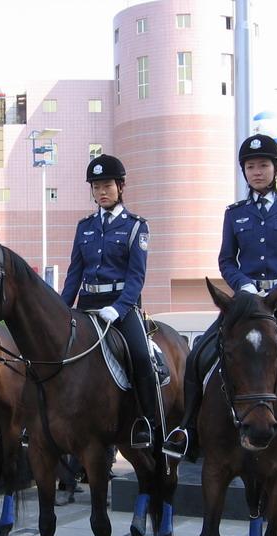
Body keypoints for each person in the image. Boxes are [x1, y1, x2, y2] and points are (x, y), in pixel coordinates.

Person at [164, 134, 277, 466]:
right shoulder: (235, 214)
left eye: (263, 165)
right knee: (198, 356)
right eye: (250, 167)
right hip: (245, 305)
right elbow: (226, 261)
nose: (257, 172)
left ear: (276, 169)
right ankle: (188, 429)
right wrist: (244, 286)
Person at [60, 154, 157, 449]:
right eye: (96, 187)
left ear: (121, 187)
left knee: (141, 356)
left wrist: (119, 308)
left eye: (107, 186)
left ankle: (146, 421)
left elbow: (136, 277)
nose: (101, 192)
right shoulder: (84, 227)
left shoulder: (136, 226)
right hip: (87, 303)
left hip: (120, 306)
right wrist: (61, 309)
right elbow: (74, 274)